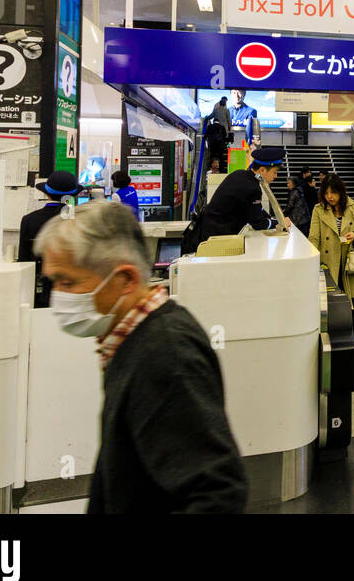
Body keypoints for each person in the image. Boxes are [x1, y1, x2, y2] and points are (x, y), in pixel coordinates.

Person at [34, 202, 248, 513]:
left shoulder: (166, 353)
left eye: (68, 282)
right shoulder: (131, 338)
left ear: (125, 279)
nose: (59, 297)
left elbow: (217, 493)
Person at [309, 174, 354, 361]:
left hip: (351, 262)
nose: (330, 196)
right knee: (333, 304)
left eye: (333, 192)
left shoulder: (353, 207)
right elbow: (314, 238)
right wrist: (315, 263)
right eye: (326, 193)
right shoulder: (318, 210)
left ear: (340, 192)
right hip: (330, 263)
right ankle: (335, 340)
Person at [191, 145, 288, 250]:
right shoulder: (252, 188)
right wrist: (279, 223)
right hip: (216, 240)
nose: (276, 176)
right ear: (262, 170)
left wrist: (272, 218)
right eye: (274, 172)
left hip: (206, 230)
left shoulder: (240, 174)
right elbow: (258, 224)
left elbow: (256, 209)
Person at [19, 170, 83, 307]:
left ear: (46, 193)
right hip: (76, 293)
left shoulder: (29, 220)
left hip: (40, 293)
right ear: (72, 195)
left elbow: (23, 260)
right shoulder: (81, 220)